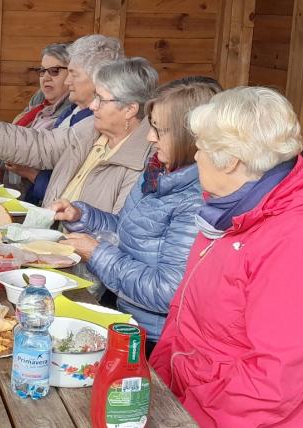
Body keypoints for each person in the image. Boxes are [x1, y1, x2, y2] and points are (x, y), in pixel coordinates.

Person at [149, 86, 303, 426]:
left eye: (201, 147)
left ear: (231, 160)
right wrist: (159, 387)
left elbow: (272, 383)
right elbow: (184, 320)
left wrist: (181, 416)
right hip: (194, 403)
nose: (196, 157)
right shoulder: (233, 210)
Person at [49, 77, 222, 355]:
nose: (150, 137)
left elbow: (167, 292)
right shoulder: (157, 173)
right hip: (125, 316)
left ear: (190, 137)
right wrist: (83, 216)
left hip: (154, 341)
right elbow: (129, 232)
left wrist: (97, 254)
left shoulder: (195, 200)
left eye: (159, 130)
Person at [0, 57, 157, 213]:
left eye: (101, 99)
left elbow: (119, 234)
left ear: (130, 109)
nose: (93, 106)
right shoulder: (91, 128)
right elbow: (41, 145)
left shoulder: (146, 163)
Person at [4, 42, 75, 205]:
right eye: (42, 71)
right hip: (19, 188)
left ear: (72, 74)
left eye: (54, 71)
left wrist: (28, 172)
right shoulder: (40, 100)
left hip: (43, 201)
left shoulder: (73, 113)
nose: (46, 78)